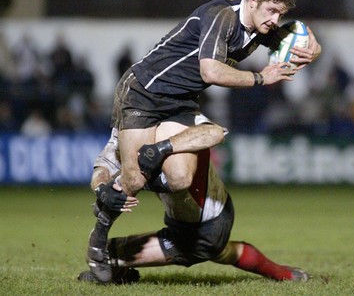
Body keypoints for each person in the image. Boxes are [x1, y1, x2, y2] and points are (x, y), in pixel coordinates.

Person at [90, 0, 321, 282]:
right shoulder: (221, 17)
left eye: (281, 14)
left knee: (181, 177)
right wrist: (260, 77)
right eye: (272, 11)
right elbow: (211, 71)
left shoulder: (259, 28)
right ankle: (98, 243)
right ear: (252, 2)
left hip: (180, 102)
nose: (276, 20)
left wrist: (313, 50)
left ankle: (149, 170)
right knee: (131, 176)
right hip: (144, 92)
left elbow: (300, 44)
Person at [79, 120, 309, 284]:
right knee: (223, 252)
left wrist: (163, 148)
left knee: (108, 255)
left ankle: (119, 271)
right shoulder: (129, 128)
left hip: (204, 221)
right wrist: (101, 187)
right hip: (193, 218)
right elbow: (103, 167)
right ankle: (284, 275)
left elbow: (213, 133)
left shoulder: (182, 119)